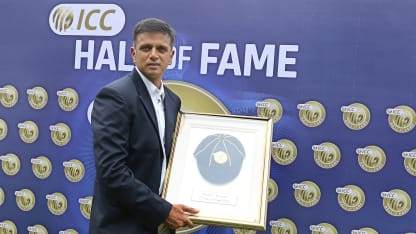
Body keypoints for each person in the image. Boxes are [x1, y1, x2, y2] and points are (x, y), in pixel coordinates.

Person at [89, 18, 199, 234]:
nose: (154, 55)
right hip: (121, 227)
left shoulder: (172, 101)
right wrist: (163, 211)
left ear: (171, 57)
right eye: (146, 48)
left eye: (161, 49)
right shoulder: (115, 96)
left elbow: (168, 162)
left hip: (157, 226)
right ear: (133, 53)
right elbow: (112, 171)